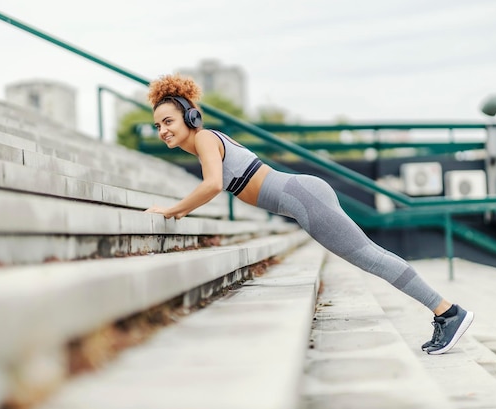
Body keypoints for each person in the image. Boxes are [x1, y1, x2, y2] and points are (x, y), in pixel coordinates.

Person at [144, 74, 474, 355]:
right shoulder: (204, 141)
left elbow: (213, 184)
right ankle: (446, 312)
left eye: (168, 121)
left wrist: (174, 210)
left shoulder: (203, 139)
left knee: (370, 257)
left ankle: (448, 312)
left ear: (191, 117)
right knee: (371, 254)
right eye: (158, 125)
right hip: (302, 196)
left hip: (301, 198)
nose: (162, 130)